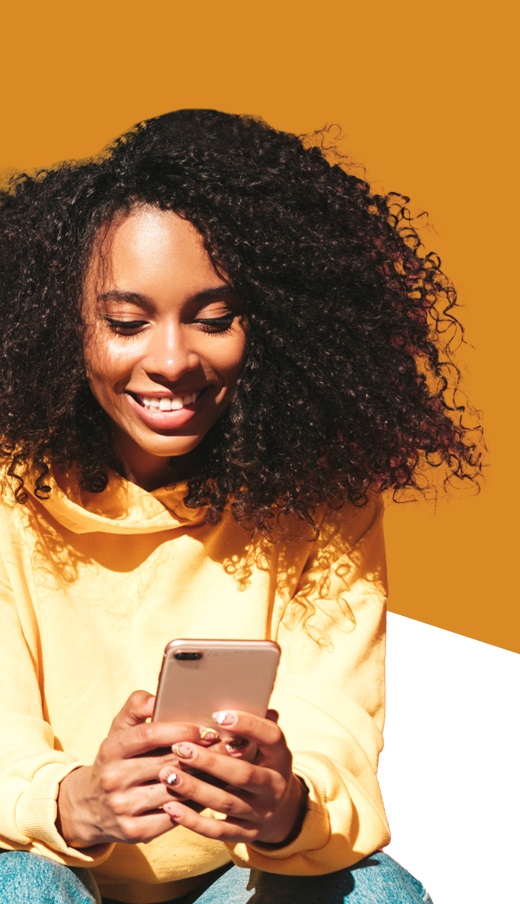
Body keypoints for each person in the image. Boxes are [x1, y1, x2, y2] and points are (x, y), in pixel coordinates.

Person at [0, 109, 480, 903]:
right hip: (49, 864)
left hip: (233, 875)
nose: (172, 360)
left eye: (215, 317)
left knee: (378, 894)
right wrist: (77, 802)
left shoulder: (322, 492)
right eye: (126, 322)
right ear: (60, 326)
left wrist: (286, 808)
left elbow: (336, 733)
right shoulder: (10, 486)